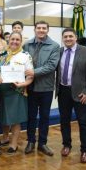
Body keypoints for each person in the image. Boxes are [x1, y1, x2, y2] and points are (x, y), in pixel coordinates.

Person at [23, 20, 60, 156]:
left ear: (47, 30)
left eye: (44, 28)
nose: (41, 30)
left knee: (45, 117)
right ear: (35, 29)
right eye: (39, 28)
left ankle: (42, 143)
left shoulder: (54, 46)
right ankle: (31, 141)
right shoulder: (27, 45)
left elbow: (51, 66)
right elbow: (22, 63)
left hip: (46, 88)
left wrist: (34, 72)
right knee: (31, 116)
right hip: (31, 87)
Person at [56, 28, 86, 163]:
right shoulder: (59, 52)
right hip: (63, 91)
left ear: (75, 37)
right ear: (63, 39)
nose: (68, 39)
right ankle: (66, 145)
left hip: (81, 93)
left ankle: (85, 150)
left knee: (83, 123)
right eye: (65, 37)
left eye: (71, 36)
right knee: (64, 120)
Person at [0, 32, 34, 154]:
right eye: (12, 39)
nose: (14, 41)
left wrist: (23, 84)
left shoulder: (25, 56)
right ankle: (5, 138)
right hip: (2, 90)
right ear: (8, 40)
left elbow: (30, 76)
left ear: (21, 41)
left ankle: (14, 144)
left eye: (17, 40)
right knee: (3, 115)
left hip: (16, 91)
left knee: (15, 118)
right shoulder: (1, 54)